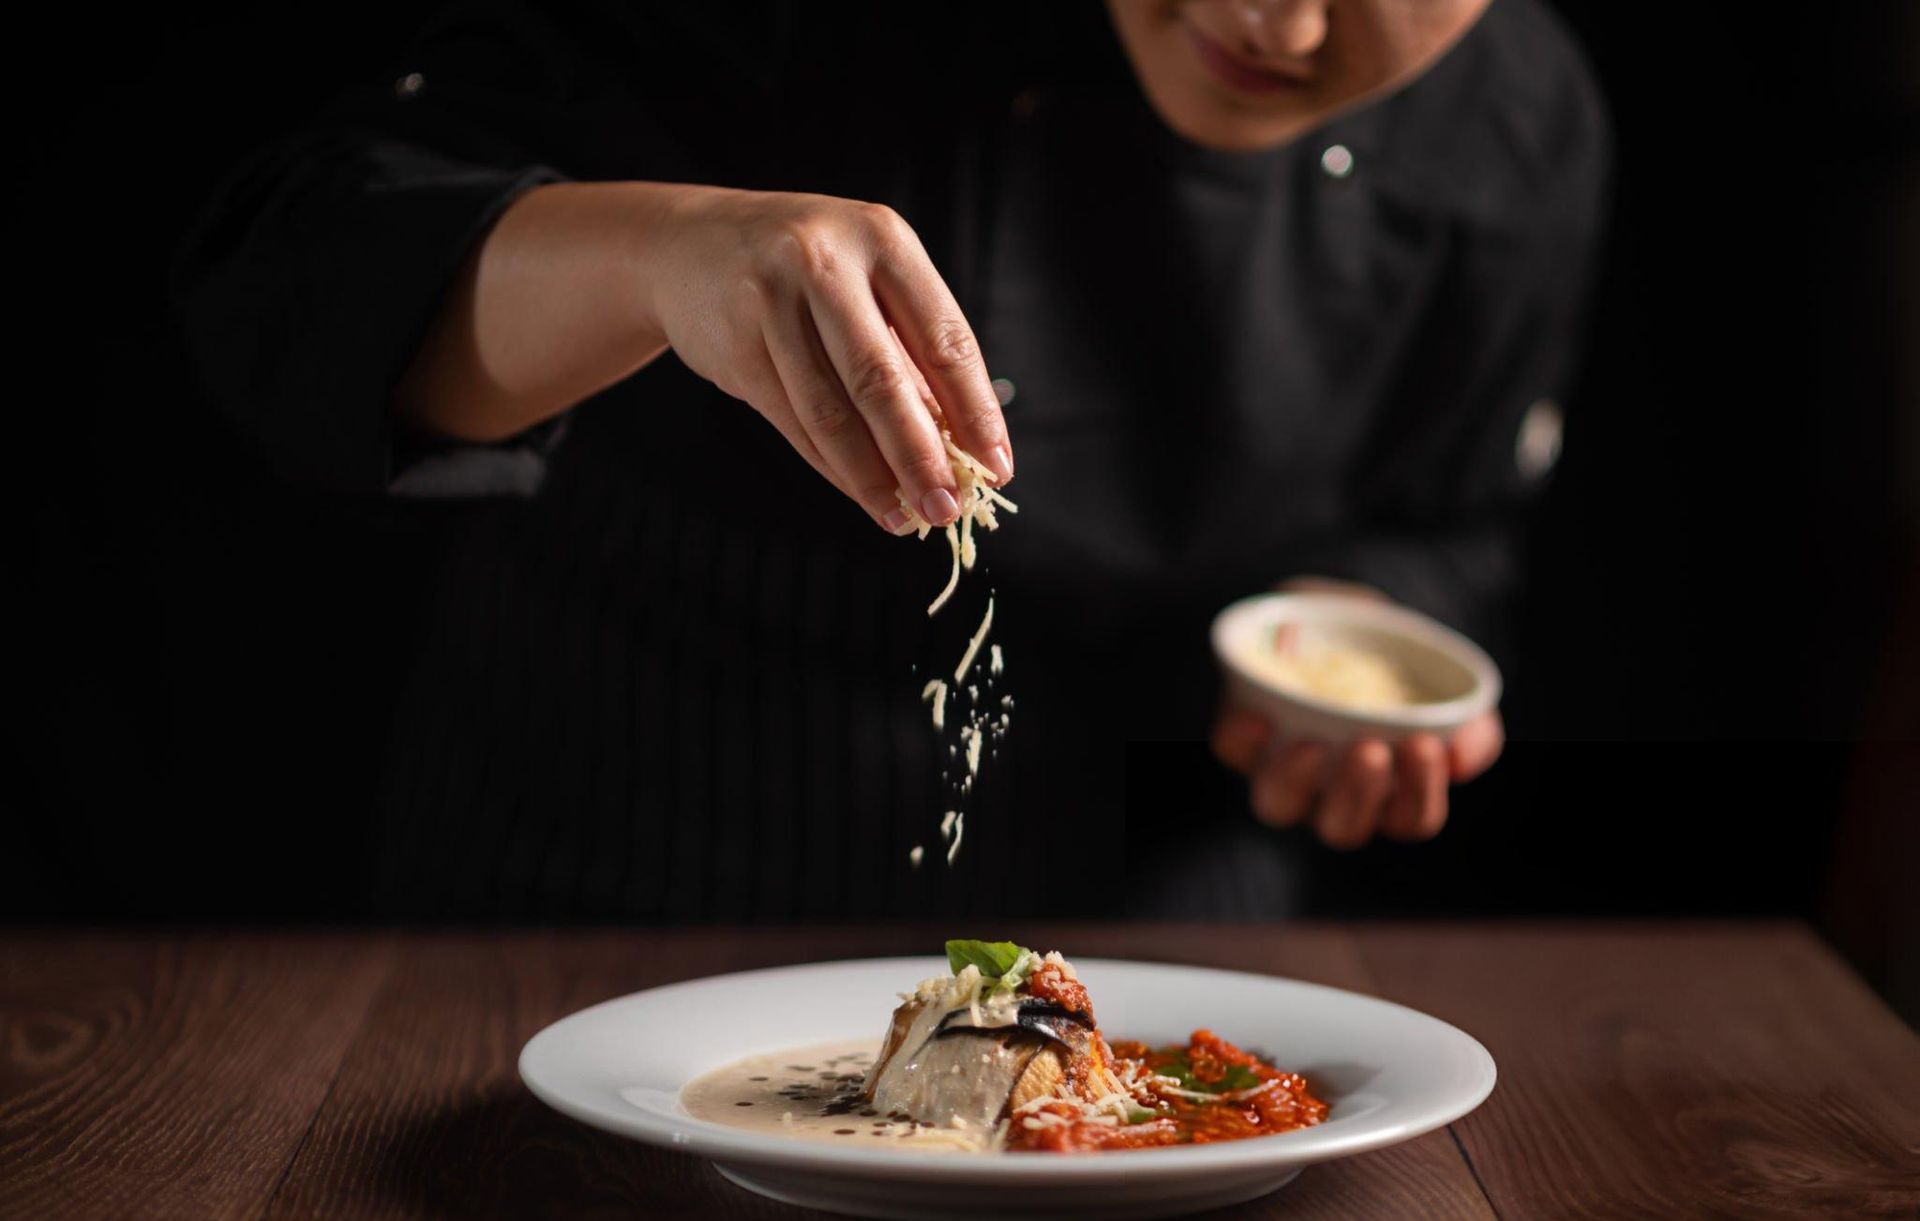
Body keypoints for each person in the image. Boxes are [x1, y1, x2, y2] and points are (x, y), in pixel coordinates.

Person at [173, 0, 1608, 920]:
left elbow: (1456, 526)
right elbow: (291, 282)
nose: (1273, 20)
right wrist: (655, 254)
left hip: (1154, 957)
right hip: (608, 891)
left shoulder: (1523, 126)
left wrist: (1347, 675)